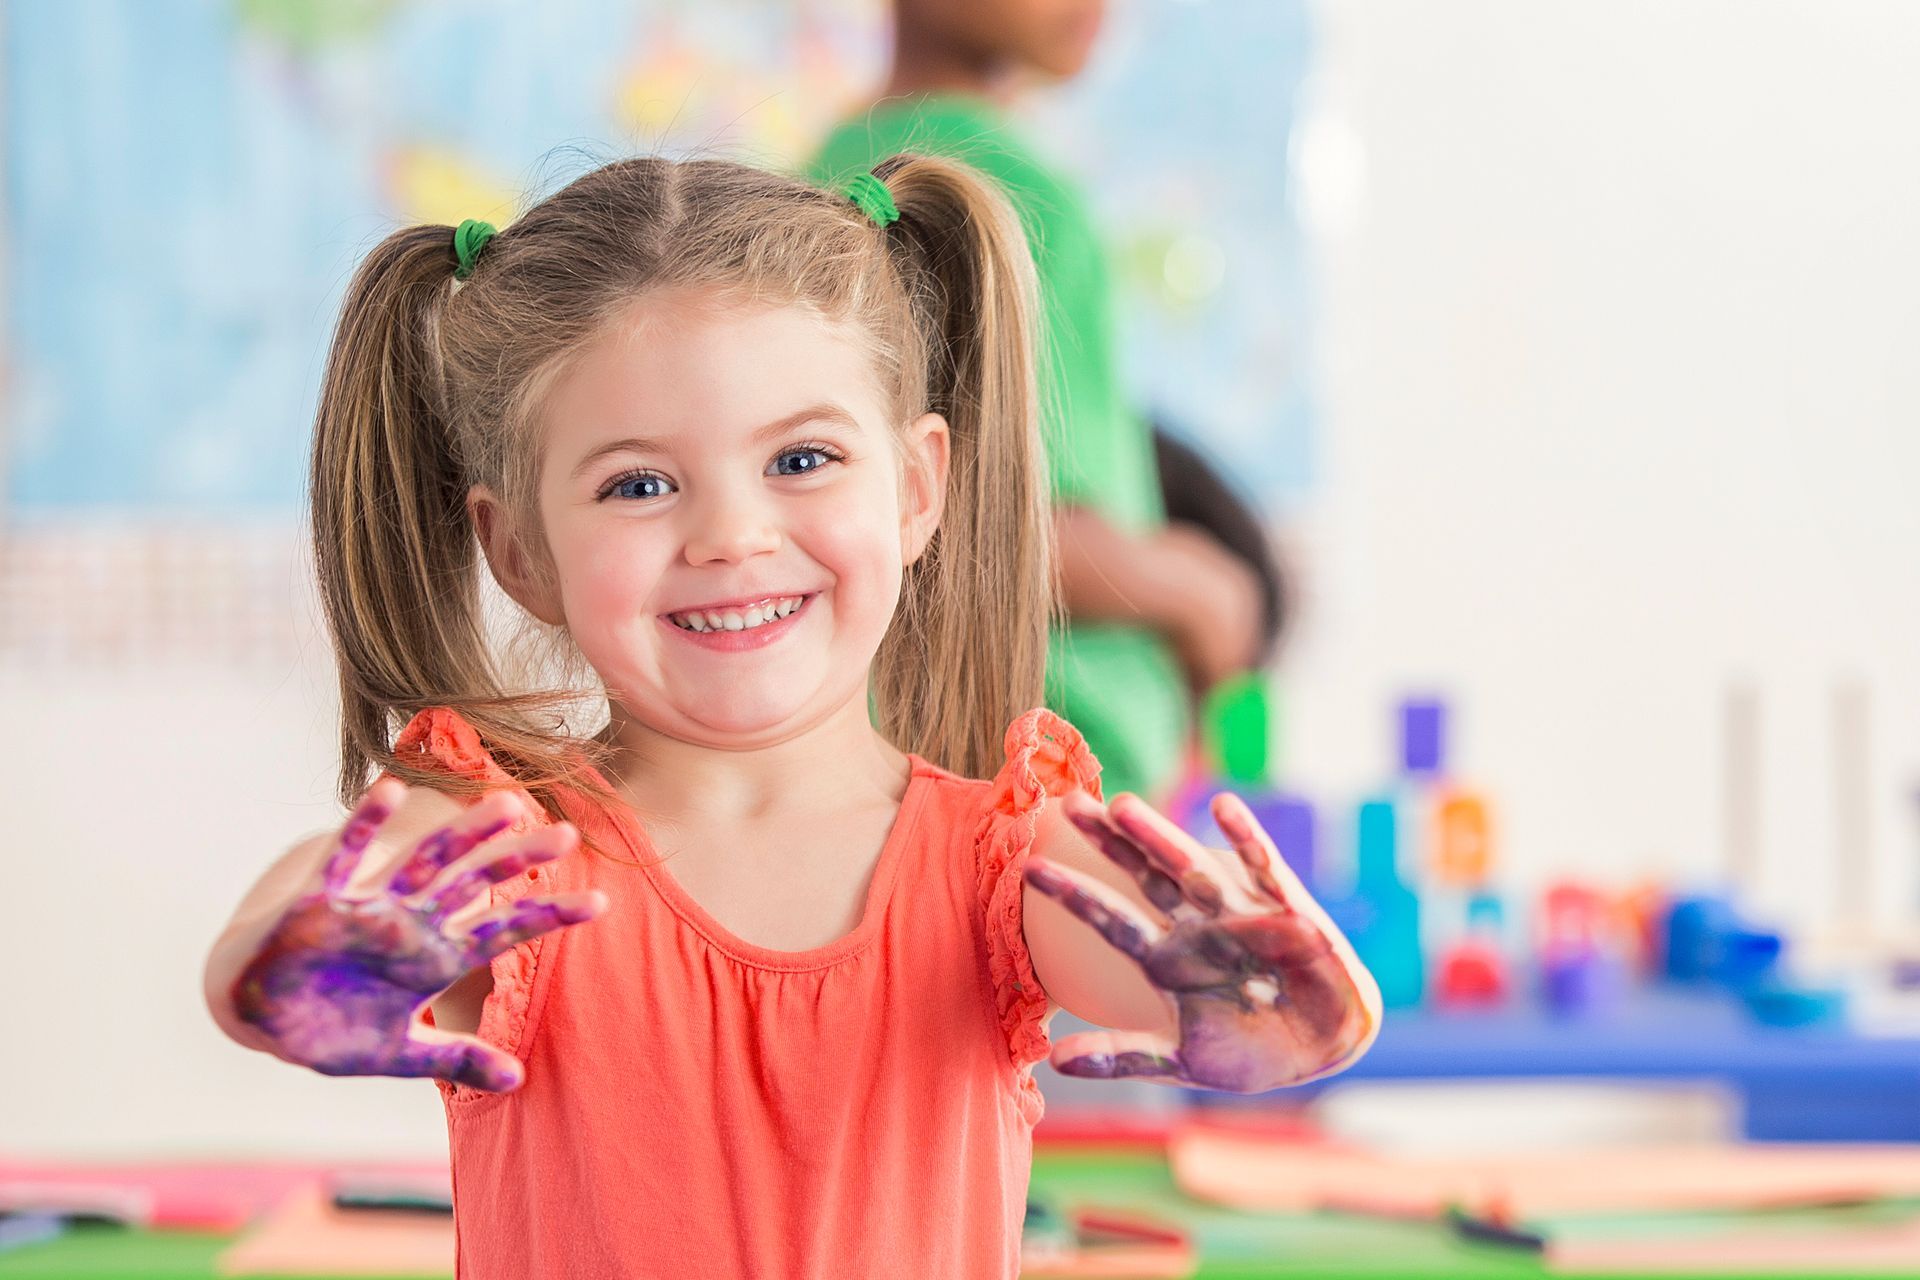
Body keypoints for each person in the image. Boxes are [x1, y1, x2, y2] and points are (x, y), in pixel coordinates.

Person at [202, 152, 1378, 1278]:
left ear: (917, 488)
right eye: (640, 484)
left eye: (803, 458)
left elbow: (1207, 990)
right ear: (520, 551)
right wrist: (282, 963)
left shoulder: (1008, 865)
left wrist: (1300, 1013)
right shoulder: (509, 858)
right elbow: (304, 914)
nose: (733, 535)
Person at [810, 0, 1268, 805]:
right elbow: (1000, 523)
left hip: (902, 774)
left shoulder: (814, 173)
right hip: (1048, 780)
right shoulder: (1015, 191)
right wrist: (1202, 595)